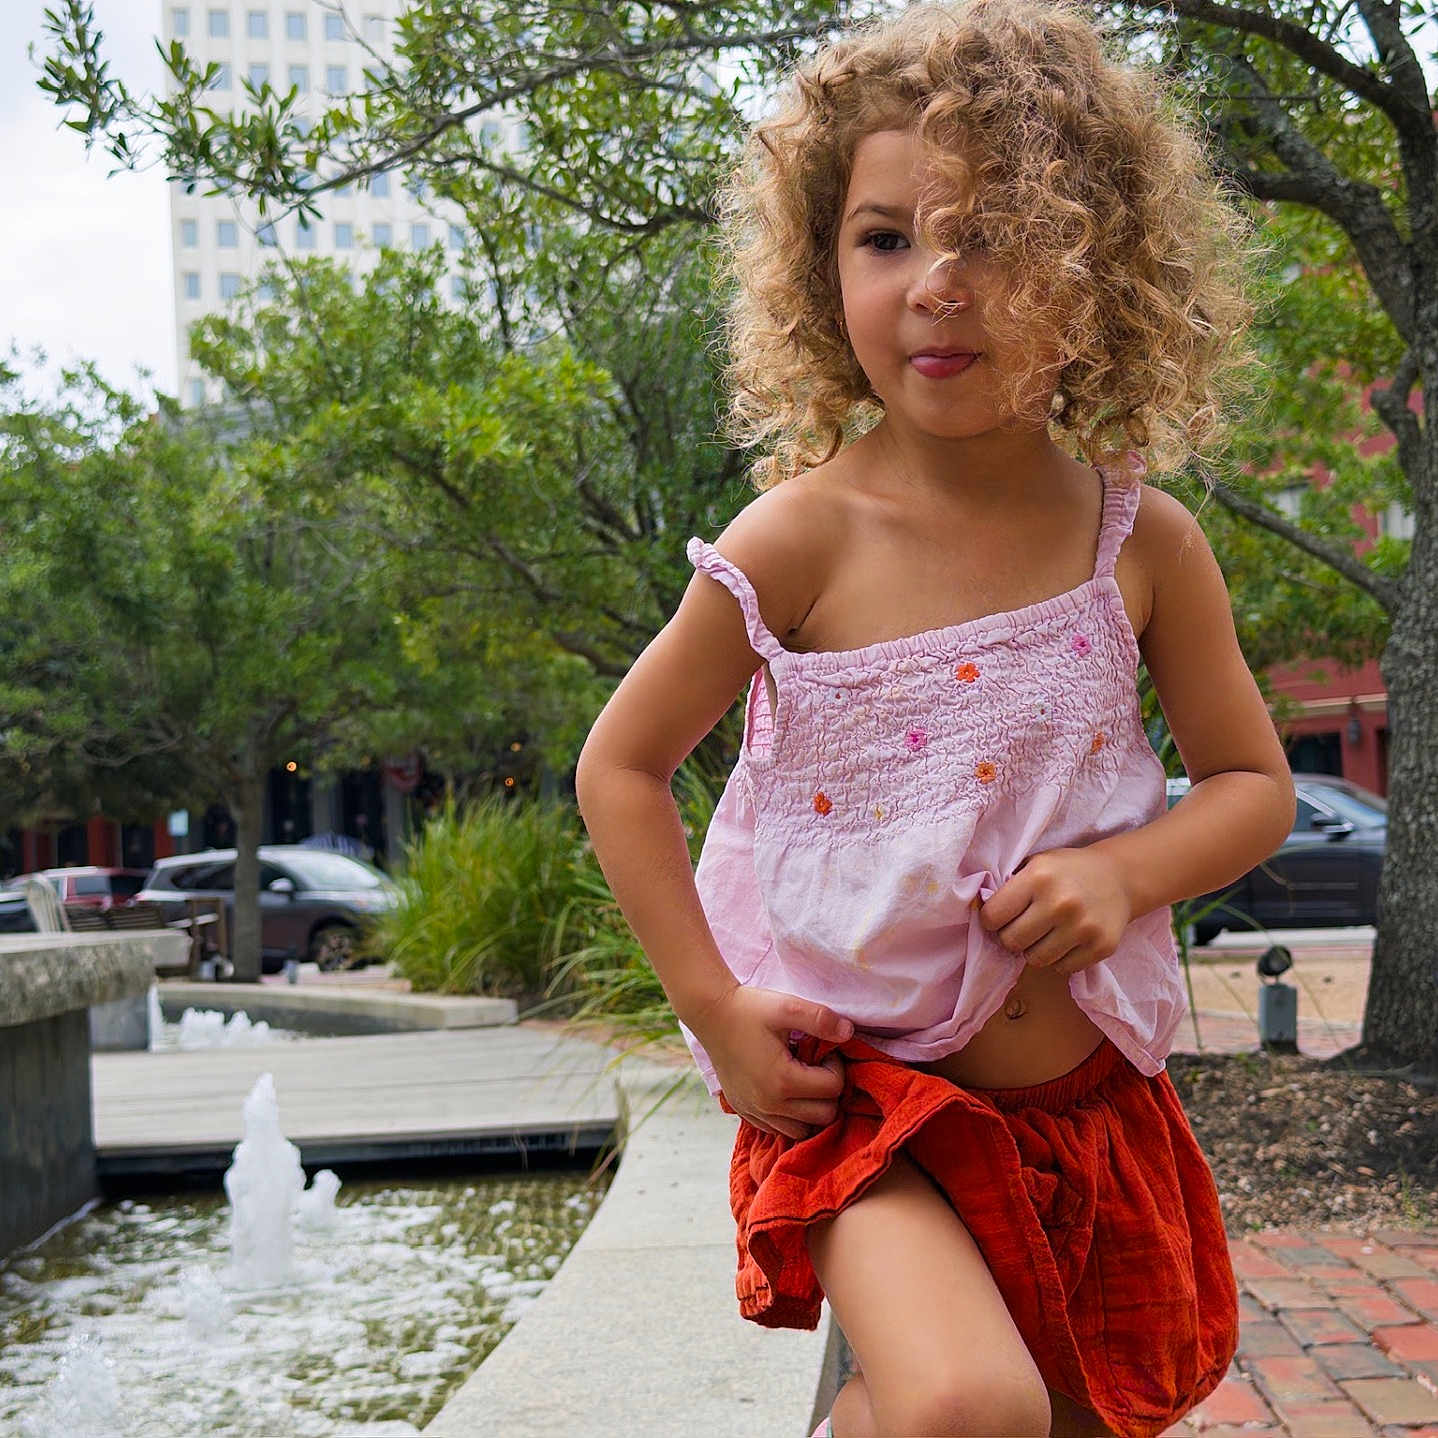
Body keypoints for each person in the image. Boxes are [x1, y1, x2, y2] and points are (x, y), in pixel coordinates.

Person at [574, 3, 1296, 1434]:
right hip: (864, 1114)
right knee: (970, 1402)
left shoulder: (1135, 543)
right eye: (886, 237)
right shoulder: (798, 540)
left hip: (1085, 1112)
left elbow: (1249, 785)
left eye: (995, 237)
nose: (937, 285)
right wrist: (717, 1017)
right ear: (817, 266)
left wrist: (1122, 870)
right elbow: (621, 767)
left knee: (1072, 1416)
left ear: (1096, 271)